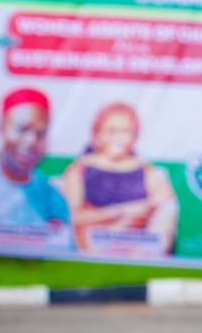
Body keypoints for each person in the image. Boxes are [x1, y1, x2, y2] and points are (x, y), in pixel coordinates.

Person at [63, 102, 178, 254]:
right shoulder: (80, 169)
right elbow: (71, 217)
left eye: (125, 131)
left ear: (135, 136)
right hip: (94, 242)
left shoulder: (149, 171)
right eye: (111, 131)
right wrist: (119, 212)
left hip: (137, 245)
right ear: (97, 134)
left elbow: (166, 202)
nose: (118, 138)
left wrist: (140, 212)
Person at [0, 88, 71, 242]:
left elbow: (65, 241)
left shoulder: (49, 193)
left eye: (40, 134)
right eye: (22, 129)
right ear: (1, 129)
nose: (31, 141)